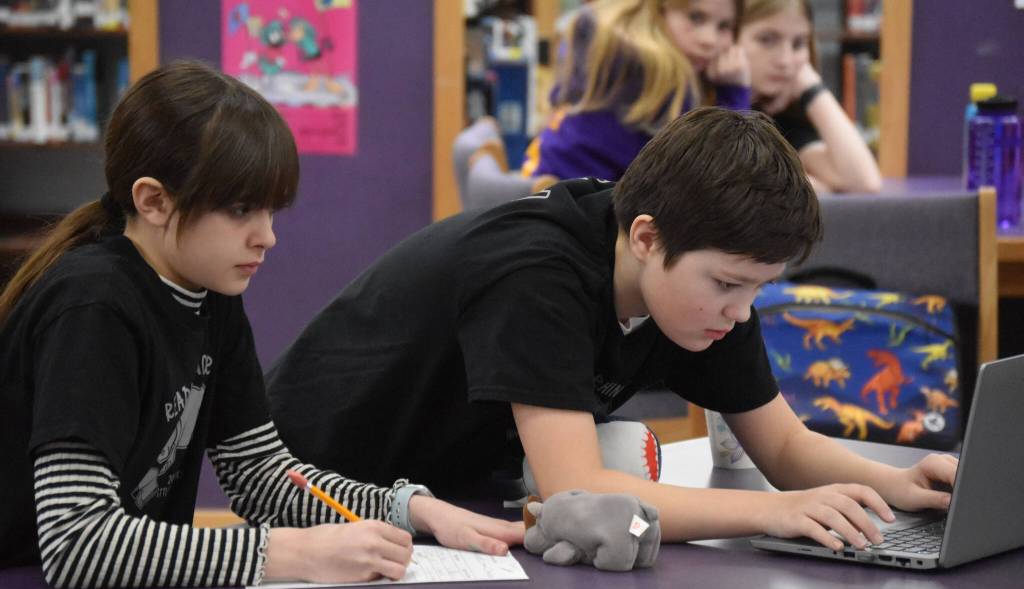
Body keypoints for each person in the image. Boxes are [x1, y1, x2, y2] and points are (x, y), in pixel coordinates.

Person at [267, 107, 957, 554]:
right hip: (322, 484)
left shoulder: (702, 288)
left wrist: (896, 484)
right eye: (728, 286)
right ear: (647, 239)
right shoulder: (538, 271)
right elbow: (577, 486)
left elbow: (782, 444)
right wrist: (772, 513)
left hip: (448, 493)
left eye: (758, 289)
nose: (742, 312)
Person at [0, 60, 522, 589]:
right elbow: (76, 542)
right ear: (153, 201)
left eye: (270, 212)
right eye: (240, 210)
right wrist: (290, 553)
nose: (266, 237)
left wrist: (410, 508)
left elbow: (262, 476)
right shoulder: (92, 305)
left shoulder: (207, 292)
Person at [521, 0, 750, 182]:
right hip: (575, 211)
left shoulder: (603, 45)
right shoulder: (657, 76)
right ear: (657, 10)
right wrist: (734, 93)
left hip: (547, 191)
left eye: (724, 26)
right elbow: (718, 176)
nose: (709, 40)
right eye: (696, 17)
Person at [739, 0, 882, 193]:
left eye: (798, 44)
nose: (785, 60)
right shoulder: (704, 107)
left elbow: (864, 182)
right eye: (767, 40)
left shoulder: (783, 114)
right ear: (730, 36)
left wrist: (812, 89)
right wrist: (808, 185)